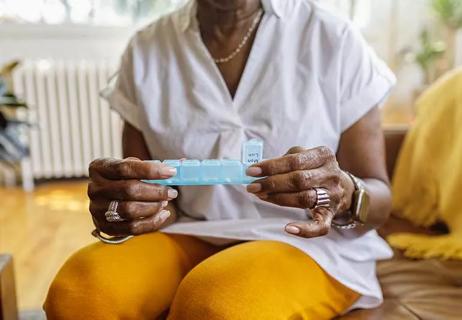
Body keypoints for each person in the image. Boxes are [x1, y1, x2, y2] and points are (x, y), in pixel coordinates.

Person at [44, 0, 396, 319]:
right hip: (189, 231)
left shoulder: (333, 38)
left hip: (307, 244)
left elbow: (379, 196)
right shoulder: (146, 49)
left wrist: (346, 192)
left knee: (219, 304)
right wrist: (127, 206)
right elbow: (156, 200)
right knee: (79, 293)